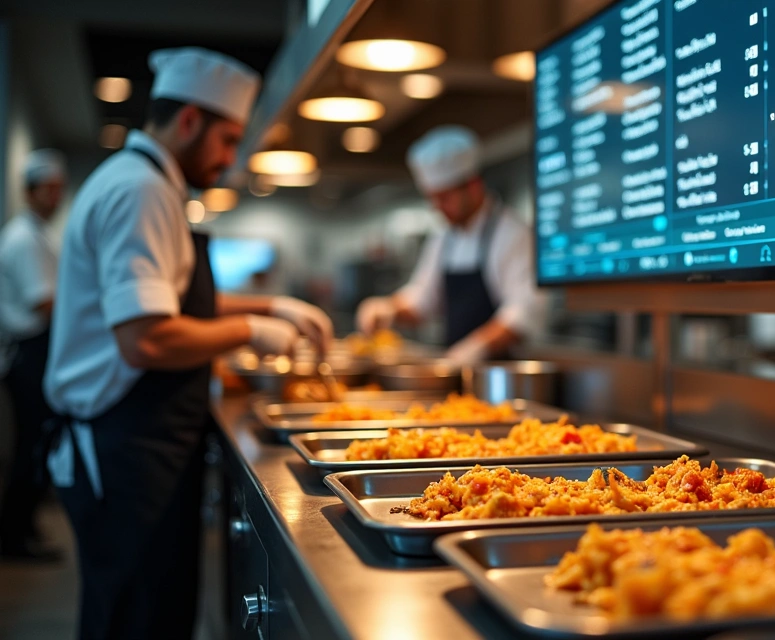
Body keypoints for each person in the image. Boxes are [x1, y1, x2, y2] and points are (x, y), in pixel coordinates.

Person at [42, 48, 333, 639]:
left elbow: (169, 303)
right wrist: (252, 331)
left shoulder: (148, 184)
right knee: (134, 619)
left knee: (149, 611)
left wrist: (271, 306)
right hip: (122, 444)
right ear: (190, 120)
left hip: (139, 441)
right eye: (227, 141)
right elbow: (147, 338)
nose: (229, 159)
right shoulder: (141, 192)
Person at [356, 126, 545, 363]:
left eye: (444, 198)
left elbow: (524, 312)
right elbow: (422, 300)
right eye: (433, 199)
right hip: (453, 369)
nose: (437, 208)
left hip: (499, 373)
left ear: (473, 186)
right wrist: (389, 308)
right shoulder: (443, 237)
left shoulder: (512, 234)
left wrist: (476, 347)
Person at [0, 149, 66, 561]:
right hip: (28, 351)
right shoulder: (23, 239)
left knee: (36, 441)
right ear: (29, 192)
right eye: (48, 189)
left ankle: (23, 528)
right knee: (32, 443)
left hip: (37, 349)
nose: (55, 197)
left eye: (59, 189)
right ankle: (13, 537)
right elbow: (44, 304)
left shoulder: (39, 234)